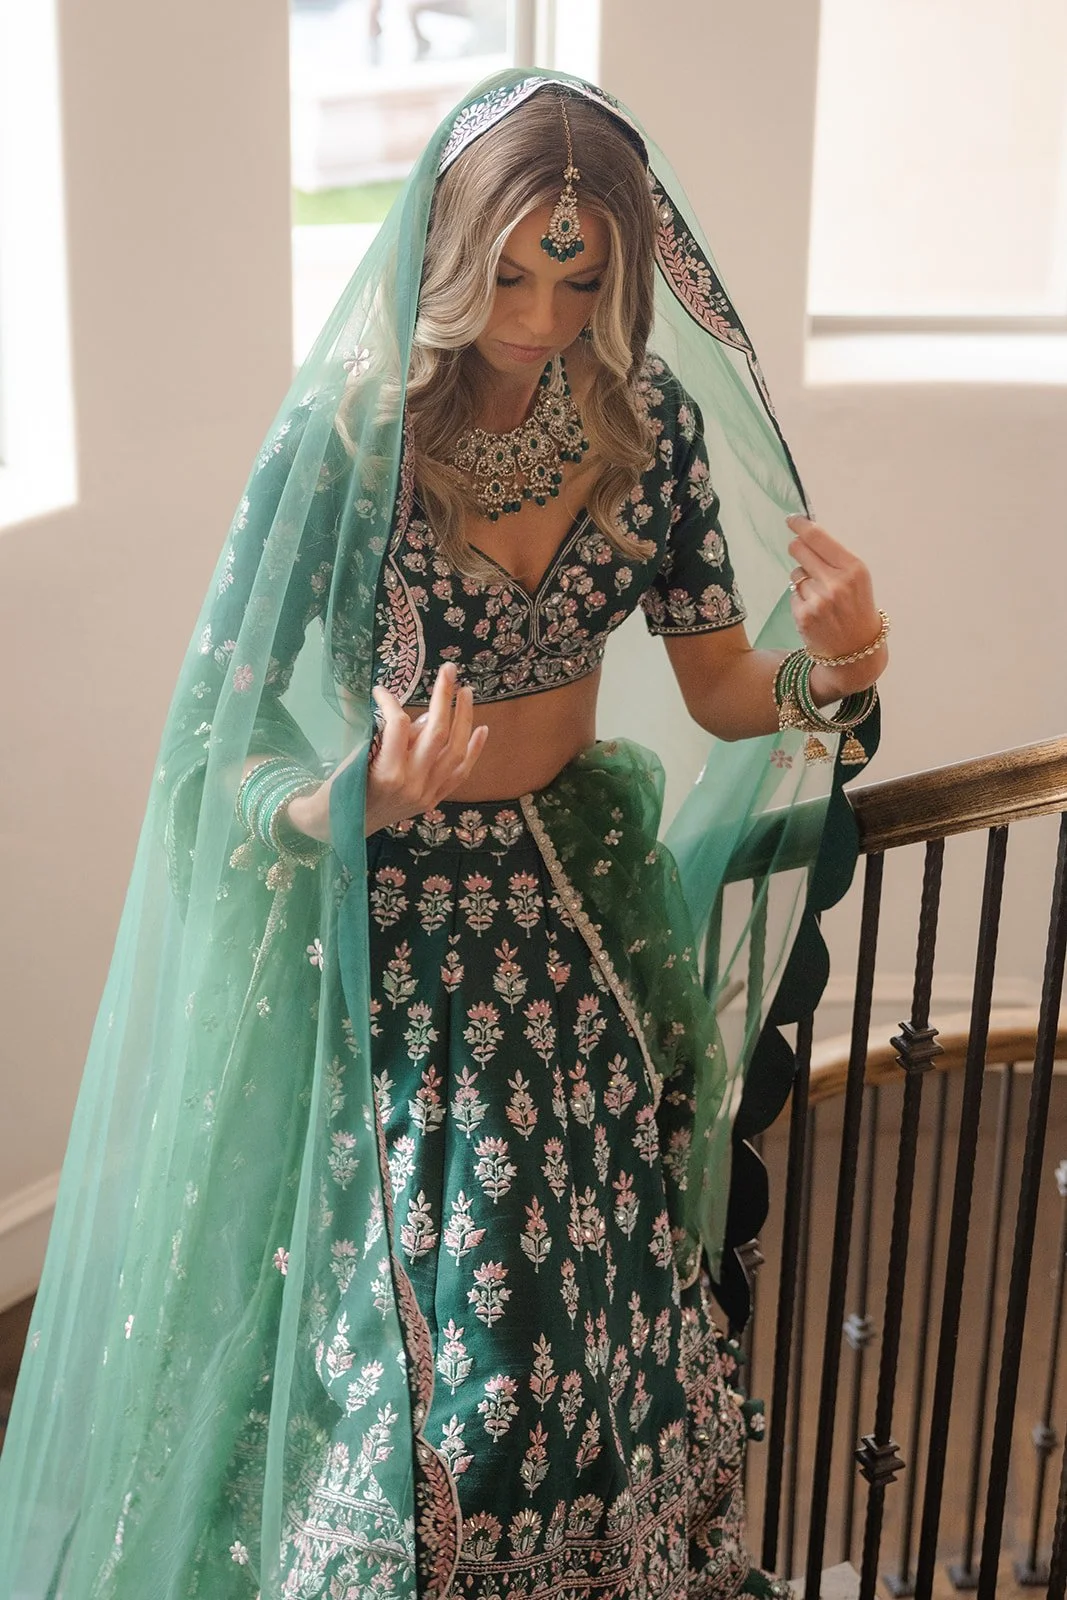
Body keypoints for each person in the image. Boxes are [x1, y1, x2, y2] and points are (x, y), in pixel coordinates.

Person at [0, 69, 886, 1600]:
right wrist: (354, 801)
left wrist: (838, 665)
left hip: (580, 905)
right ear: (450, 247)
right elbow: (215, 729)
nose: (540, 311)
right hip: (398, 920)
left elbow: (720, 683)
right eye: (515, 268)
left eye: (580, 271)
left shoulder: (643, 426)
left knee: (590, 1296)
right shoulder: (352, 447)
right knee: (439, 1312)